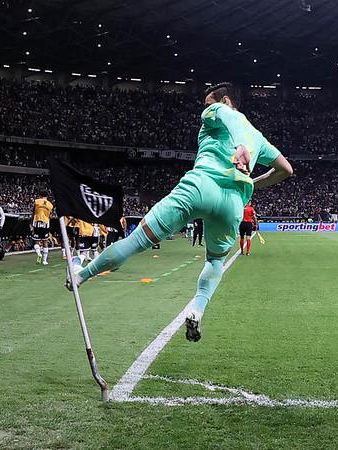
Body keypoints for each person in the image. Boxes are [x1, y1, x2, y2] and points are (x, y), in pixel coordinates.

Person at [66, 82, 293, 342]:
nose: (207, 108)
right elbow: (285, 169)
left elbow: (230, 116)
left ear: (226, 100)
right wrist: (252, 182)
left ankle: (81, 275)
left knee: (135, 242)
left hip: (200, 186)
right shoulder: (259, 138)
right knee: (215, 261)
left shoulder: (217, 112)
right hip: (232, 203)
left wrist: (239, 144)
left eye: (210, 103)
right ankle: (197, 309)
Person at [31, 191, 53, 265]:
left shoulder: (37, 201)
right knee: (45, 241)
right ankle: (44, 260)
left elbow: (33, 212)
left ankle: (39, 254)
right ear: (47, 196)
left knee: (36, 241)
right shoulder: (50, 205)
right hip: (46, 223)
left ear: (40, 195)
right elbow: (50, 216)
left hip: (37, 222)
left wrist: (31, 223)